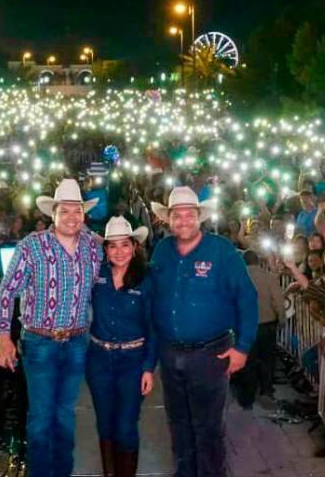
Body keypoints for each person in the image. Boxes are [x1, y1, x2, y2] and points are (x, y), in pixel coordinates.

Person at [0, 178, 102, 477]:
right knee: (41, 418)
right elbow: (6, 292)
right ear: (52, 213)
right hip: (40, 343)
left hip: (77, 342)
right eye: (64, 210)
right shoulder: (32, 246)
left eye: (77, 210)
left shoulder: (93, 247)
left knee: (65, 415)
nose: (71, 217)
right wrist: (4, 337)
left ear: (84, 213)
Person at [149, 186, 258, 477]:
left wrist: (243, 347)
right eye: (177, 215)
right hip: (170, 353)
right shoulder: (162, 250)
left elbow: (247, 298)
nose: (183, 221)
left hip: (211, 354)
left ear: (200, 217)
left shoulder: (222, 250)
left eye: (189, 215)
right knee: (178, 423)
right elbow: (153, 294)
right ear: (168, 219)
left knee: (208, 428)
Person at [87, 216, 154, 477]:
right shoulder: (97, 275)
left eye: (125, 244)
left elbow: (153, 327)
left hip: (133, 362)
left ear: (134, 247)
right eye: (112, 245)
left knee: (126, 426)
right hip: (99, 360)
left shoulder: (146, 279)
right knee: (105, 425)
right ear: (105, 249)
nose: (119, 251)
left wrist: (149, 367)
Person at [240, 248, 285, 410]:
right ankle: (266, 390)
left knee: (248, 361)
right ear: (258, 261)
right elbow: (278, 302)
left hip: (245, 326)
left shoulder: (237, 277)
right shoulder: (269, 277)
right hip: (267, 325)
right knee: (267, 359)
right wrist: (281, 319)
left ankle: (247, 398)